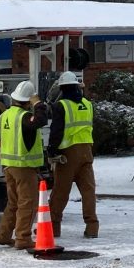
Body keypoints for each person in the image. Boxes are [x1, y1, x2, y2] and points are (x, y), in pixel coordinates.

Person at [0, 80, 50, 250]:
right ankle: (23, 238)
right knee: (27, 202)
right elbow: (41, 121)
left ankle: (4, 235)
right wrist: (39, 104)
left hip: (9, 165)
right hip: (23, 166)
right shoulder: (24, 117)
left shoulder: (5, 115)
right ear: (28, 101)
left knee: (13, 202)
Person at [47, 70, 99, 239]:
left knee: (60, 192)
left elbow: (57, 131)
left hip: (68, 152)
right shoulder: (87, 104)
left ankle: (53, 227)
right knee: (88, 191)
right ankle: (92, 227)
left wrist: (52, 151)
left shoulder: (61, 105)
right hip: (86, 151)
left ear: (62, 88)